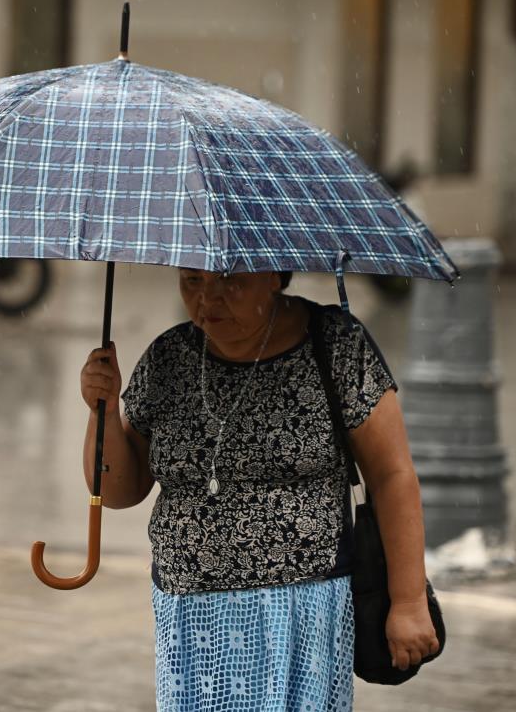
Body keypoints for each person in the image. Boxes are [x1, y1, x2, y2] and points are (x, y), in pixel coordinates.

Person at [79, 269, 440, 711]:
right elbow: (117, 490)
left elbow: (392, 476)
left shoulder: (336, 345)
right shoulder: (168, 357)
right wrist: (103, 410)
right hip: (192, 619)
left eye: (229, 281)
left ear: (274, 275)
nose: (207, 301)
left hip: (301, 614)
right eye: (191, 281)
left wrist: (408, 601)